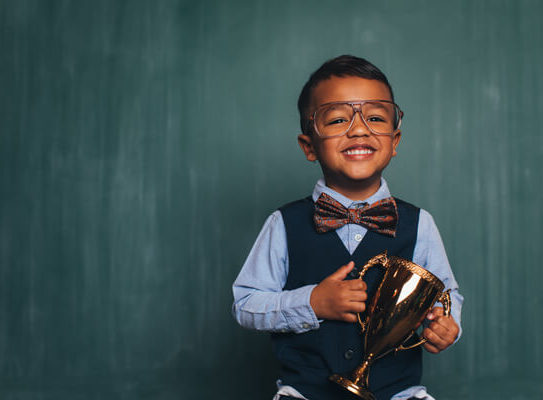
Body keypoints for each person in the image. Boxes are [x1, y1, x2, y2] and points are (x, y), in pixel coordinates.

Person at [232, 55, 463, 400]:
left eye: (374, 117)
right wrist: (312, 302)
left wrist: (444, 326)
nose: (358, 129)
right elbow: (245, 304)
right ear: (309, 146)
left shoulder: (420, 223)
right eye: (338, 119)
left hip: (397, 392)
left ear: (394, 140)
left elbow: (446, 295)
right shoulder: (283, 223)